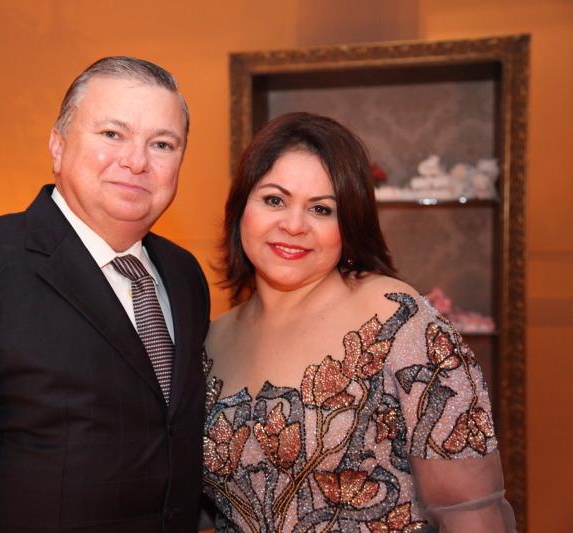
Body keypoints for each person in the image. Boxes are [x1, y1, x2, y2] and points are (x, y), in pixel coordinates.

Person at [0, 56, 210, 532]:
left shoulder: (184, 276)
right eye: (112, 134)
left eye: (162, 144)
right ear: (58, 145)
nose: (136, 161)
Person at [202, 112, 515, 532]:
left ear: (348, 225)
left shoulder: (396, 319)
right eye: (274, 200)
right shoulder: (212, 340)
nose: (293, 225)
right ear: (241, 209)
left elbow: (470, 509)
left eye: (321, 209)